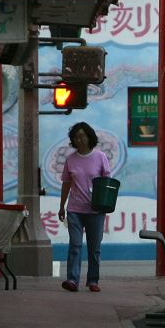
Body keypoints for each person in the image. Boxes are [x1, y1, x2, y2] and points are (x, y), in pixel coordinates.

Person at [58, 121, 112, 293]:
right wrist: (61, 206)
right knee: (75, 245)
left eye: (82, 136)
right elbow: (66, 183)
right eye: (76, 137)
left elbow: (107, 182)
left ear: (89, 137)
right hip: (74, 209)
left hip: (95, 209)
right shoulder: (70, 160)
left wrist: (105, 203)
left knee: (94, 247)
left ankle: (93, 280)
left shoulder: (100, 157)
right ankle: (72, 280)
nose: (79, 139)